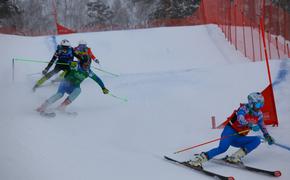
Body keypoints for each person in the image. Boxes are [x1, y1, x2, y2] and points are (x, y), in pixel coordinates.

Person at [188, 92, 275, 167]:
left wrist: (267, 135)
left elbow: (262, 125)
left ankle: (235, 157)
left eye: (262, 104)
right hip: (229, 133)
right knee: (222, 148)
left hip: (239, 137)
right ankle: (199, 159)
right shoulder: (244, 109)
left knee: (256, 140)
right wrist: (249, 125)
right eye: (258, 104)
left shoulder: (259, 114)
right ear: (251, 103)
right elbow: (240, 119)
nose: (260, 107)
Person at [36, 55, 109, 113]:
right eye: (85, 65)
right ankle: (43, 106)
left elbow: (98, 79)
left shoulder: (88, 72)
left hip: (74, 87)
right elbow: (66, 64)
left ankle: (62, 107)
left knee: (78, 90)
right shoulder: (75, 65)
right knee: (59, 95)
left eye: (88, 65)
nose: (86, 66)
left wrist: (103, 88)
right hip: (65, 84)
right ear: (81, 63)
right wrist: (69, 63)